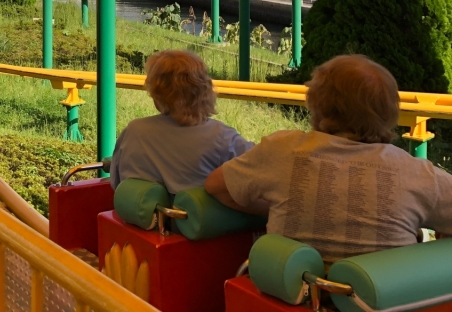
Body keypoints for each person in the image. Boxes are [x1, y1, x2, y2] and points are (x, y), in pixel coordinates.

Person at [206, 55, 452, 262]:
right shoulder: (417, 174)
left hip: (290, 298)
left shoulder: (281, 149)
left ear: (317, 105)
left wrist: (272, 208)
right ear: (390, 113)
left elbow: (216, 187)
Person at [105, 50, 254, 194]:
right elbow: (264, 171)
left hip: (140, 218)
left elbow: (117, 183)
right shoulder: (223, 138)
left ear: (157, 94)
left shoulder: (134, 131)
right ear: (204, 90)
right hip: (199, 219)